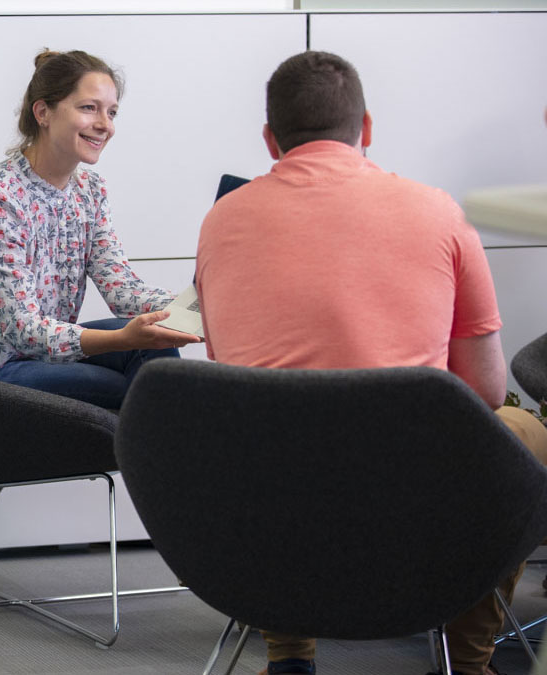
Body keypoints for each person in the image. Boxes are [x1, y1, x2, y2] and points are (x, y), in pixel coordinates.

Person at [195, 50, 547, 675]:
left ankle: (289, 653)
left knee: (274, 426)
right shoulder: (438, 213)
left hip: (266, 492)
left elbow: (229, 372)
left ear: (271, 140)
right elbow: (488, 390)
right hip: (409, 493)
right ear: (367, 129)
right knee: (527, 437)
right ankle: (470, 662)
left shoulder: (222, 220)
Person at [0, 49, 199, 409]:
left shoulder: (90, 190)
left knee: (157, 362)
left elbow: (121, 288)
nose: (106, 124)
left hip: (42, 355)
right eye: (89, 108)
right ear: (43, 113)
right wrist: (120, 339)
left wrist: (194, 309)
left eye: (112, 112)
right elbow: (23, 329)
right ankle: (179, 462)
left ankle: (170, 463)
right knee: (141, 387)